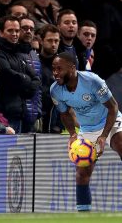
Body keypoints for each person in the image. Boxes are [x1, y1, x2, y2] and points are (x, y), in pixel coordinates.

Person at [50, 52, 122, 212]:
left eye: (59, 69)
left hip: (110, 121)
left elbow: (113, 107)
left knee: (120, 143)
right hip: (87, 129)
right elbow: (64, 113)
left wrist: (104, 136)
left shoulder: (93, 81)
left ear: (72, 68)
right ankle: (84, 215)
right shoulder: (55, 90)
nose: (55, 73)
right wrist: (73, 134)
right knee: (82, 173)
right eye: (53, 69)